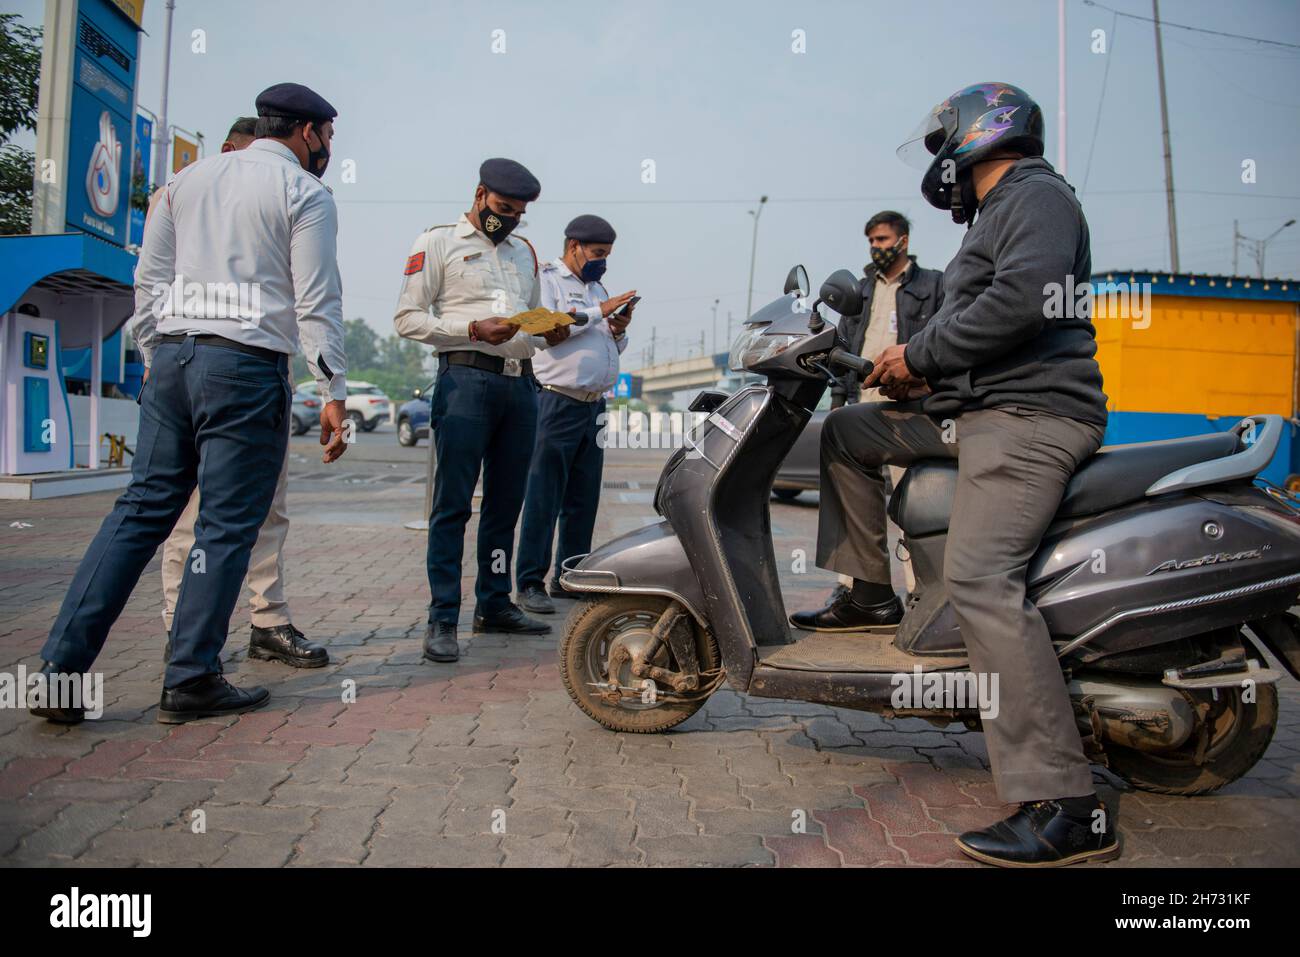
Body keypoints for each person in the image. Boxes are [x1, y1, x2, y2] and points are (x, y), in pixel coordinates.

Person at [802, 83, 1115, 866]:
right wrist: (913, 376)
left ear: (982, 133)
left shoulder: (1036, 197)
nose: (940, 156)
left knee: (981, 577)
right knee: (845, 432)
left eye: (946, 138)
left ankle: (1068, 807)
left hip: (1031, 416)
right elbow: (971, 327)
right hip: (977, 408)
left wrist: (922, 355)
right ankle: (872, 591)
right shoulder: (995, 212)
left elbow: (1023, 304)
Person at [32, 82, 349, 725]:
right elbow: (317, 300)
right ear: (308, 132)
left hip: (174, 359)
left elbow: (148, 280)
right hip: (245, 366)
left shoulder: (186, 181)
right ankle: (192, 679)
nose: (328, 153)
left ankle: (59, 675)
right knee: (227, 526)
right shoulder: (304, 194)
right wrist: (332, 392)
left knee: (139, 513)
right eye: (329, 139)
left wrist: (157, 357)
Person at [156, 116, 327, 670]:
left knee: (268, 508)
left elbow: (310, 296)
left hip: (263, 370)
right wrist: (150, 356)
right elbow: (152, 281)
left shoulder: (287, 196)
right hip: (202, 363)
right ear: (230, 151)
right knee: (195, 514)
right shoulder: (190, 191)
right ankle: (181, 634)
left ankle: (267, 621)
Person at [393, 158, 570, 664]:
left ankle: (493, 603)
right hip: (464, 380)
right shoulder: (437, 242)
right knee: (452, 505)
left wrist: (549, 333)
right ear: (479, 195)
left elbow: (531, 325)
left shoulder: (524, 253)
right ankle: (442, 617)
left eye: (519, 213)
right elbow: (406, 318)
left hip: (520, 389)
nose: (509, 219)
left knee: (504, 505)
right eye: (502, 208)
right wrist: (471, 330)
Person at [792, 210, 943, 627]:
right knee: (855, 492)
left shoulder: (933, 286)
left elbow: (944, 340)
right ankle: (860, 590)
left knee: (913, 500)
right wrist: (839, 399)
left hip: (912, 401)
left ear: (904, 240)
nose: (876, 247)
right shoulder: (860, 290)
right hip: (865, 396)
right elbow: (842, 348)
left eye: (882, 239)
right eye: (871, 242)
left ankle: (920, 590)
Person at [515, 214, 635, 614]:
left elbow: (604, 347)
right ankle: (529, 582)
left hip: (593, 407)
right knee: (543, 496)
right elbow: (545, 329)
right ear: (574, 247)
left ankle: (570, 577)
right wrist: (601, 312)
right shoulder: (546, 281)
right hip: (555, 402)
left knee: (582, 500)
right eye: (598, 253)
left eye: (608, 255)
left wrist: (616, 330)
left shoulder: (596, 287)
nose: (603, 261)